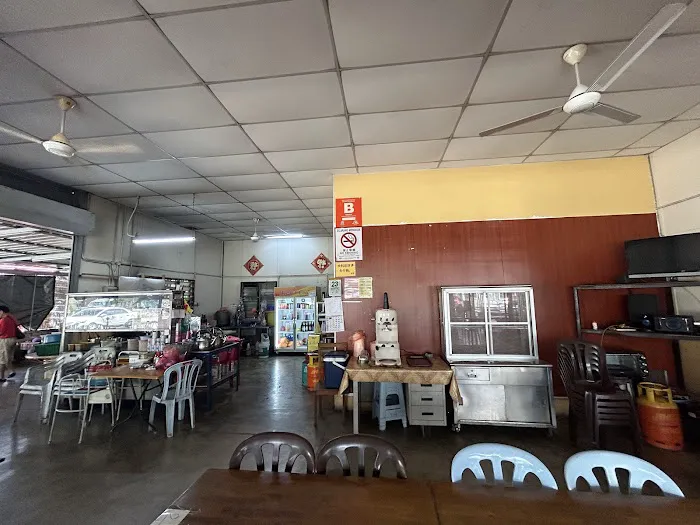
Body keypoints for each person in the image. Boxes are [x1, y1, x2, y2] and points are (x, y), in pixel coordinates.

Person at [0, 305, 18, 381]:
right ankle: (2, 376)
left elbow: (1, 331)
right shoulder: (12, 318)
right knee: (7, 358)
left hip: (5, 340)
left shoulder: (3, 320)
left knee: (3, 359)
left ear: (1, 311)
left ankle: (11, 371)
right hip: (13, 339)